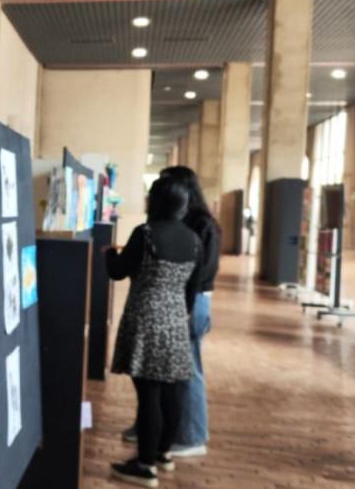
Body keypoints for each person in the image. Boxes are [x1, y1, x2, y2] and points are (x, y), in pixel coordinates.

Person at [107, 177, 203, 487]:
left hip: (146, 318)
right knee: (171, 391)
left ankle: (145, 465)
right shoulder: (193, 240)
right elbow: (193, 289)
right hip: (176, 320)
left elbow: (118, 271)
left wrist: (109, 253)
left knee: (148, 394)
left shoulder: (145, 234)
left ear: (157, 201)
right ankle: (163, 454)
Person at [121, 167, 220, 459]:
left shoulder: (201, 225)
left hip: (189, 302)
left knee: (182, 377)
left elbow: (201, 273)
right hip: (177, 303)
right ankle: (153, 435)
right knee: (160, 378)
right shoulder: (174, 224)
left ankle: (189, 437)